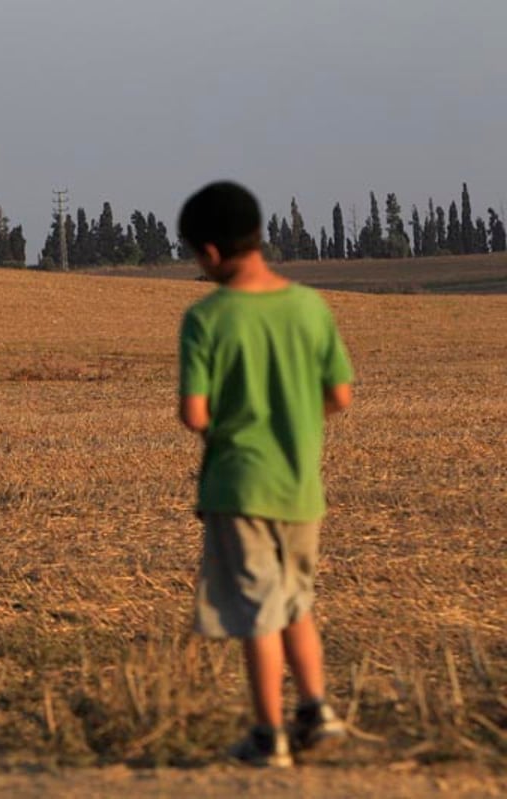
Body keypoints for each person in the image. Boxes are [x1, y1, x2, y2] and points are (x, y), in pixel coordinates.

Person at [176, 181, 353, 768]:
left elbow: (195, 413)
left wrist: (236, 428)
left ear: (210, 252)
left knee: (257, 611)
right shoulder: (311, 306)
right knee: (296, 602)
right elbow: (340, 395)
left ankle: (268, 733)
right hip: (301, 487)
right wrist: (297, 419)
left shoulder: (206, 318)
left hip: (238, 485)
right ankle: (318, 708)